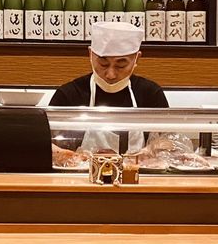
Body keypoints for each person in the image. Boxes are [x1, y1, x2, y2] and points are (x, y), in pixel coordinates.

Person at [49, 21, 168, 153]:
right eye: (103, 64)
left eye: (120, 65)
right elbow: (45, 142)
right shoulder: (69, 94)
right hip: (82, 167)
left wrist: (149, 152)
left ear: (136, 59)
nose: (111, 75)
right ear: (90, 54)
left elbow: (167, 140)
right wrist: (66, 155)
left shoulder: (151, 94)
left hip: (137, 166)